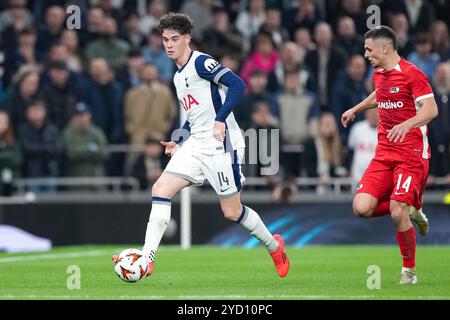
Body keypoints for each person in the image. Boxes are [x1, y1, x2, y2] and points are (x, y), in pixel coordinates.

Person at [112, 13, 290, 278]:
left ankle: (274, 246)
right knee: (160, 189)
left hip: (222, 143)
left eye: (174, 39)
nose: (169, 45)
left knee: (232, 212)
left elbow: (238, 85)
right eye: (164, 40)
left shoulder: (201, 63)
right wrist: (179, 139)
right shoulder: (177, 76)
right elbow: (193, 119)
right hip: (197, 143)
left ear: (187, 39)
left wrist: (220, 121)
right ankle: (147, 258)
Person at [341, 26, 439, 285]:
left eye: (369, 49)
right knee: (361, 208)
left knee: (397, 212)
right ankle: (412, 208)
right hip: (385, 153)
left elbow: (431, 110)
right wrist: (357, 108)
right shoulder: (379, 74)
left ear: (385, 48)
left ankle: (409, 271)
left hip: (411, 153)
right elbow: (380, 94)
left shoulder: (413, 75)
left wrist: (408, 124)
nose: (365, 54)